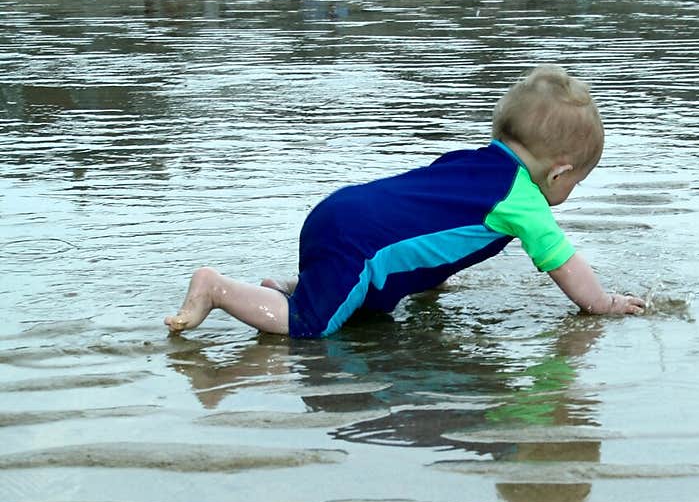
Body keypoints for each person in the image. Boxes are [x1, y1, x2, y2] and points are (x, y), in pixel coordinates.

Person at [164, 65, 646, 338]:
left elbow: (427, 224)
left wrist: (432, 284)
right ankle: (219, 289)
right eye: (576, 182)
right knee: (310, 328)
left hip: (341, 214)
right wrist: (601, 303)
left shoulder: (470, 162)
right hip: (357, 242)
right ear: (559, 171)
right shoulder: (523, 201)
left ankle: (289, 286)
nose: (570, 191)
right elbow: (564, 263)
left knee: (373, 306)